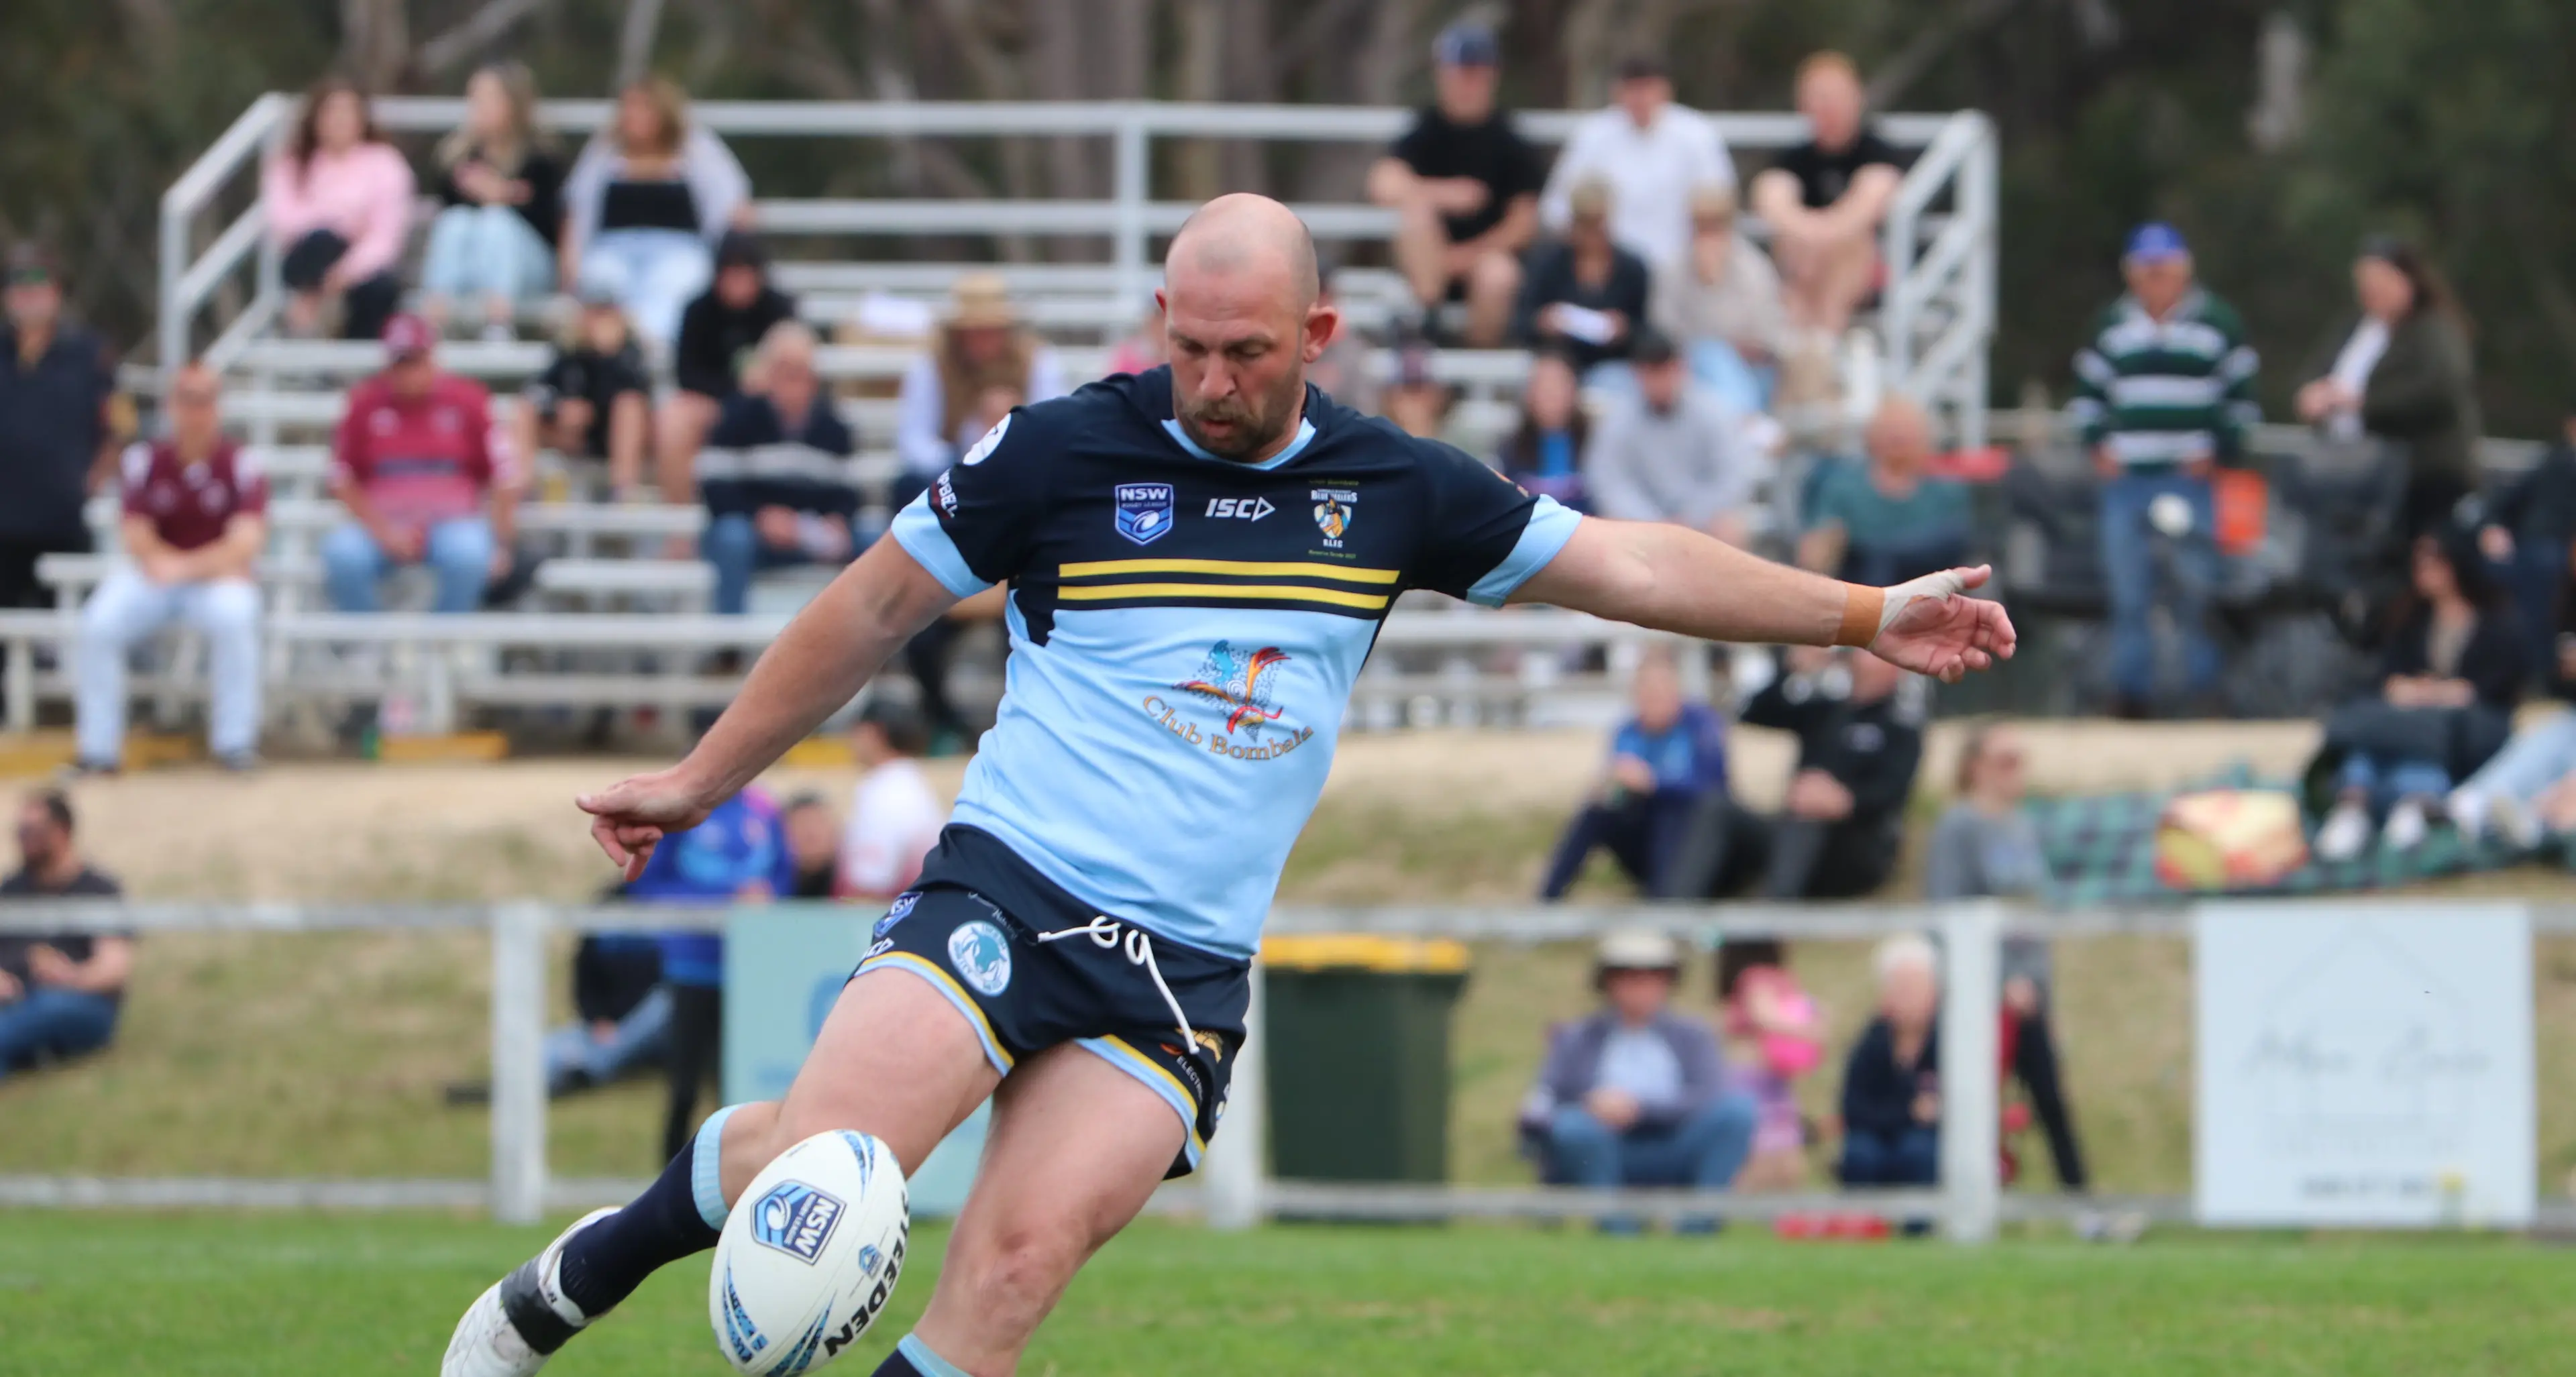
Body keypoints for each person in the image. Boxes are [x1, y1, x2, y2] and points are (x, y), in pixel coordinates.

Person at [440, 192, 2012, 1377]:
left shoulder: (1394, 489)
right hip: (1007, 886)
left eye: (1243, 354)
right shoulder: (1056, 451)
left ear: (1314, 340)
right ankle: (571, 1282)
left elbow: (1628, 562)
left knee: (1017, 1259)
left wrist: (1866, 616)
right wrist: (704, 778)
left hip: (1179, 968)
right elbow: (868, 608)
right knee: (822, 1169)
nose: (1204, 380)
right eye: (1183, 346)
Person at [2070, 223, 2259, 718]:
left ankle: (2204, 692)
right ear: (2132, 275)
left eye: (2165, 270)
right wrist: (2099, 448)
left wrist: (2221, 452)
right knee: (2128, 590)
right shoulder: (2110, 325)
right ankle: (2132, 693)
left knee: (2197, 586)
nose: (2156, 280)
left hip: (2190, 479)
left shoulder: (2218, 322)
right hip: (2127, 479)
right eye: (2147, 271)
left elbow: (2241, 400)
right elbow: (2088, 398)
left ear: (2183, 272)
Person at [1923, 724, 2091, 1193]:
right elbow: (1946, 913)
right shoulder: (1959, 826)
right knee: (1973, 1103)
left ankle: (2081, 1204)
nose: (2016, 770)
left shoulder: (2022, 826)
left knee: (2051, 1100)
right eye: (2005, 760)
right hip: (1983, 996)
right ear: (1975, 767)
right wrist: (1997, 983)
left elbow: (2034, 920)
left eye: (2021, 759)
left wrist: (2042, 991)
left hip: (2030, 994)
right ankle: (1963, 1201)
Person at [74, 365, 266, 774]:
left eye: (205, 400)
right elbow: (136, 535)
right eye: (188, 400)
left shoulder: (241, 463)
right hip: (158, 573)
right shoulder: (144, 459)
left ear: (219, 407)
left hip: (212, 578)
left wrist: (185, 567)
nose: (196, 411)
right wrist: (170, 567)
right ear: (171, 406)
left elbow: (246, 541)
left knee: (236, 617)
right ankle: (98, 749)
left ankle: (235, 743)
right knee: (98, 622)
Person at [1518, 928, 1758, 1229]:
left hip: (1674, 1142)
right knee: (1573, 1127)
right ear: (1608, 982)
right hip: (1602, 1147)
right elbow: (1543, 1100)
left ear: (1669, 981)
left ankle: (1699, 1226)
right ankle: (1617, 1227)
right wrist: (1591, 1104)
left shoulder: (1694, 1036)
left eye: (1653, 976)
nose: (1641, 986)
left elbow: (1707, 1093)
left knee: (1737, 1111)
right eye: (1628, 976)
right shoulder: (1576, 1037)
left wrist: (1640, 1108)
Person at [2315, 533, 2525, 861]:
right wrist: (2416, 690)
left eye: (2434, 564)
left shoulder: (2496, 619)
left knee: (2423, 737)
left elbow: (2492, 686)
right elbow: (2389, 676)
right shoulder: (2410, 617)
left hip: (2463, 728)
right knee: (2384, 730)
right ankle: (2353, 806)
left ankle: (2413, 803)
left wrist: (2443, 692)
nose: (2426, 573)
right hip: (2413, 717)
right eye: (2420, 565)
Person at [1664, 647, 1925, 901]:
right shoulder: (1825, 711)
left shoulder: (1900, 726)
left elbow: (1894, 792)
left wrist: (1843, 801)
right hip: (1791, 836)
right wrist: (1790, 668)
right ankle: (1673, 916)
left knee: (1808, 816)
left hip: (1855, 847)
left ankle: (1766, 931)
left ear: (1895, 668)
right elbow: (1753, 713)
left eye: (1871, 652)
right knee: (1715, 808)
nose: (1859, 657)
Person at [626, 785, 798, 1162]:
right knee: (684, 1084)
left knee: (740, 1086)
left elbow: (784, 877)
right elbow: (649, 886)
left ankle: (739, 1178)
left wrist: (769, 896)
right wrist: (723, 900)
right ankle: (667, 1183)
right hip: (692, 967)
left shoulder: (764, 810)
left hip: (752, 970)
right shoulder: (683, 812)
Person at [324, 315, 520, 614]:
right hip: (382, 525)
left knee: (471, 552)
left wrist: (502, 543)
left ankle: (443, 643)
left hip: (452, 524)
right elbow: (340, 478)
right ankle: (365, 648)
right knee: (342, 553)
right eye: (400, 362)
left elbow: (504, 474)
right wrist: (385, 532)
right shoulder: (364, 402)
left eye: (415, 360)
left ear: (431, 357)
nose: (408, 372)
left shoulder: (469, 399)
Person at [1364, 20, 1542, 347]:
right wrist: (1443, 194)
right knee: (1416, 215)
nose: (1467, 82)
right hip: (1428, 265)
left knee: (1499, 275)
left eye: (1475, 71)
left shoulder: (1510, 141)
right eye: (1460, 70)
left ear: (1492, 75)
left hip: (1484, 260)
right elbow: (1383, 183)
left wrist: (1464, 257)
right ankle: (1428, 320)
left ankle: (1477, 359)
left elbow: (1523, 223)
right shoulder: (1425, 130)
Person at [2294, 237, 2481, 540]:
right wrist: (2311, 395)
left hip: (2422, 474)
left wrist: (2361, 404)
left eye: (2380, 280)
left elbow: (2437, 391)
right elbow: (2319, 371)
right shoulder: (2357, 328)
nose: (2371, 290)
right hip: (2354, 471)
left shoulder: (2434, 330)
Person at [561, 76, 751, 349]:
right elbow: (577, 207)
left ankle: (650, 349)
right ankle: (614, 352)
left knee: (678, 285)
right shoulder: (605, 151)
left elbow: (732, 202)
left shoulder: (694, 149)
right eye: (630, 108)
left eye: (644, 108)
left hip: (677, 250)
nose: (635, 117)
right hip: (614, 249)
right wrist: (570, 263)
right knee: (601, 279)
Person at [696, 322, 861, 616]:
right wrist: (761, 516)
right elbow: (714, 485)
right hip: (756, 533)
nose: (795, 380)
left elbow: (848, 490)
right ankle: (728, 649)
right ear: (768, 373)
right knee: (732, 536)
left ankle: (872, 648)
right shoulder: (737, 416)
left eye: (802, 370)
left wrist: (836, 519)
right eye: (786, 369)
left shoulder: (834, 426)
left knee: (875, 540)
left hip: (814, 532)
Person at [1538, 648, 1726, 899]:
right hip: (1643, 837)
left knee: (1670, 812)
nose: (1652, 700)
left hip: (1693, 840)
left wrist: (1654, 783)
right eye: (1646, 693)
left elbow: (1716, 794)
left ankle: (1663, 909)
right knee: (1597, 810)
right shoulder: (1627, 731)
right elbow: (1618, 790)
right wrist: (1607, 787)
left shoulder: (1701, 726)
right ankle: (1546, 902)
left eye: (1660, 692)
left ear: (1676, 692)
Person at [0, 242, 126, 611]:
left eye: (36, 285)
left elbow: (119, 425)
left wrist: (94, 479)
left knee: (67, 643)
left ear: (56, 291)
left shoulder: (91, 354)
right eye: (16, 285)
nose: (26, 295)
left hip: (62, 521)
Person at [1750, 53, 1907, 337]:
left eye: (1835, 96)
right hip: (1804, 270)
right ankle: (1804, 352)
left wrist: (1820, 236)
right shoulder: (1793, 159)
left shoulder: (1878, 153)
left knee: (1847, 247)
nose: (1828, 107)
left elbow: (1873, 198)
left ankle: (1820, 345)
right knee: (1796, 248)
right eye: (1819, 97)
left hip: (1860, 273)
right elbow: (1770, 197)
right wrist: (1810, 236)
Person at [1539, 54, 1735, 270]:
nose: (1640, 98)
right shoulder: (1592, 136)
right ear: (1617, 92)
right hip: (1611, 271)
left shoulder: (1697, 135)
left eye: (1648, 88)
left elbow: (1720, 207)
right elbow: (1556, 210)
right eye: (1632, 89)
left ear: (1666, 90)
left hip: (1684, 269)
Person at [421, 62, 566, 339]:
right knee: (456, 221)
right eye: (475, 99)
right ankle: (434, 319)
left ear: (514, 103)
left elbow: (549, 224)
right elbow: (448, 212)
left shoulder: (542, 158)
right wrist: (483, 192)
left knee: (497, 221)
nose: (480, 107)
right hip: (472, 268)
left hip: (529, 269)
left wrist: (502, 195)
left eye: (490, 98)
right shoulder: (456, 156)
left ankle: (498, 322)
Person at [262, 77, 413, 341]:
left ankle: (330, 334)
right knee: (321, 240)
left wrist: (345, 273)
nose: (339, 120)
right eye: (331, 111)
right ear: (315, 118)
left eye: (347, 111)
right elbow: (283, 220)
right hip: (308, 258)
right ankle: (313, 315)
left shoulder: (385, 163)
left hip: (362, 266)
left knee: (378, 289)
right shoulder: (293, 162)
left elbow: (385, 239)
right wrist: (344, 219)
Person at [892, 273, 1069, 498]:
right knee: (908, 485)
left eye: (991, 330)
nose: (983, 339)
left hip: (1022, 471)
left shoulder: (1037, 360)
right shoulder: (932, 364)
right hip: (950, 477)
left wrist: (1013, 433)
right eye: (974, 331)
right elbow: (913, 440)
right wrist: (963, 465)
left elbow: (1054, 431)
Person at [1582, 329, 1761, 547]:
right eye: (1652, 374)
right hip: (1642, 521)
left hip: (1701, 519)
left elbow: (1732, 475)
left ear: (1682, 368)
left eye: (1666, 372)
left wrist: (1690, 517)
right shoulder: (1619, 417)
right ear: (1637, 374)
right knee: (1609, 525)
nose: (1661, 383)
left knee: (1730, 527)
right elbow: (1609, 480)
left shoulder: (1712, 410)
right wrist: (1652, 521)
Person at [657, 231, 798, 504]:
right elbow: (687, 374)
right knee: (673, 420)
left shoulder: (779, 308)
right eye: (732, 274)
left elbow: (794, 367)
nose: (739, 284)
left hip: (769, 405)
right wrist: (735, 392)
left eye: (745, 274)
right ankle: (679, 527)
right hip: (715, 404)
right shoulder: (697, 310)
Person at [0, 790, 129, 1079]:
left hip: (78, 1003)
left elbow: (115, 968)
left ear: (62, 831)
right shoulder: (11, 890)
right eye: (19, 831)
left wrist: (69, 976)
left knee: (48, 1005)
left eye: (32, 830)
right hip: (15, 999)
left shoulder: (98, 889)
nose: (23, 838)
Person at [2451, 554, 2576, 850]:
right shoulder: (2565, 603)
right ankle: (2480, 801)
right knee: (2558, 730)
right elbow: (2549, 678)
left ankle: (2535, 820)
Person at [1798, 394, 1971, 586]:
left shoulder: (1946, 490)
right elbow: (1817, 548)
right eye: (1891, 431)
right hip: (1863, 594)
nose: (1899, 438)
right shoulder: (1843, 487)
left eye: (1908, 431)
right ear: (1870, 436)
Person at [1649, 183, 1786, 413]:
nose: (1708, 236)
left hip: (1749, 373)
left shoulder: (1753, 269)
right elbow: (1664, 333)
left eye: (1715, 226)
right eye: (1701, 226)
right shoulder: (1673, 269)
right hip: (1687, 373)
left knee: (1715, 355)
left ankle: (1736, 418)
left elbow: (1766, 338)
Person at [516, 290, 651, 498]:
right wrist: (558, 408)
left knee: (628, 407)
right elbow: (538, 389)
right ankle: (522, 486)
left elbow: (636, 390)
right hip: (576, 434)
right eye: (592, 313)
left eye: (603, 314)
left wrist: (607, 355)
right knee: (525, 410)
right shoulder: (569, 352)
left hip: (618, 434)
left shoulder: (631, 353)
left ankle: (623, 491)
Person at [1712, 938, 1823, 1192]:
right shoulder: (1758, 978)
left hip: (1764, 1079)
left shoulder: (1740, 984)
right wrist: (1810, 1030)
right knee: (1765, 1162)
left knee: (1784, 1162)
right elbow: (1764, 1016)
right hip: (1756, 1083)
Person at [2475, 401, 2576, 675]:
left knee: (2542, 567)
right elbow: (2505, 502)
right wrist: (2492, 527)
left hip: (2555, 552)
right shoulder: (2554, 460)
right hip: (2526, 546)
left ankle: (2539, 671)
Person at [1837, 934, 1942, 1195]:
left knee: (1919, 1151)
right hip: (1874, 1136)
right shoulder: (1871, 1043)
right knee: (1860, 1152)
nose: (1909, 998)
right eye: (1901, 987)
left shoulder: (1948, 1043)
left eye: (1917, 987)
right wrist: (1909, 1113)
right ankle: (1861, 1228)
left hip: (1925, 1141)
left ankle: (1920, 1231)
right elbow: (1853, 1108)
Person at [1513, 180, 1654, 376]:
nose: (1591, 235)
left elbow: (1646, 327)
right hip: (1557, 358)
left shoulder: (1632, 268)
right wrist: (1543, 321)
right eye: (1585, 225)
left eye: (1597, 225)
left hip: (1614, 363)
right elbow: (1521, 321)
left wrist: (1624, 329)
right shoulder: (1548, 263)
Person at [837, 698, 947, 903]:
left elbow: (869, 886)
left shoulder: (884, 791)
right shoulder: (913, 783)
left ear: (874, 733)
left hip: (893, 918)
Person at [1495, 348, 1589, 510]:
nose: (1549, 392)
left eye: (1558, 384)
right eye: (1541, 384)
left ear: (1574, 390)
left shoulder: (1596, 444)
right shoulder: (1509, 449)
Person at [1378, 341, 1454, 440]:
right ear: (1390, 399)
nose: (1414, 403)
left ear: (1440, 397)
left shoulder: (1460, 446)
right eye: (1409, 391)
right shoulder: (1372, 449)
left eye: (1419, 391)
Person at [782, 793, 843, 900]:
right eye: (802, 823)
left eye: (818, 822)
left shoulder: (857, 886)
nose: (811, 833)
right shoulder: (772, 889)